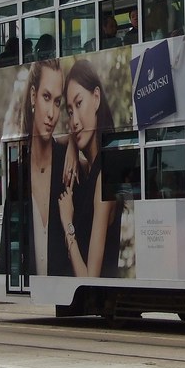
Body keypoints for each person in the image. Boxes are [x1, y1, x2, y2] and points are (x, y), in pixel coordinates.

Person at [58, 59, 120, 277]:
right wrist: (72, 144)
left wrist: (67, 224)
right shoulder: (89, 169)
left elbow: (90, 278)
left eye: (79, 103)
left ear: (96, 98)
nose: (74, 120)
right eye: (69, 111)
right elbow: (47, 142)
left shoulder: (104, 177)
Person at [21, 59, 72, 277]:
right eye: (46, 97)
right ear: (33, 96)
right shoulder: (19, 168)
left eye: (58, 102)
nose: (52, 113)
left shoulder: (68, 167)